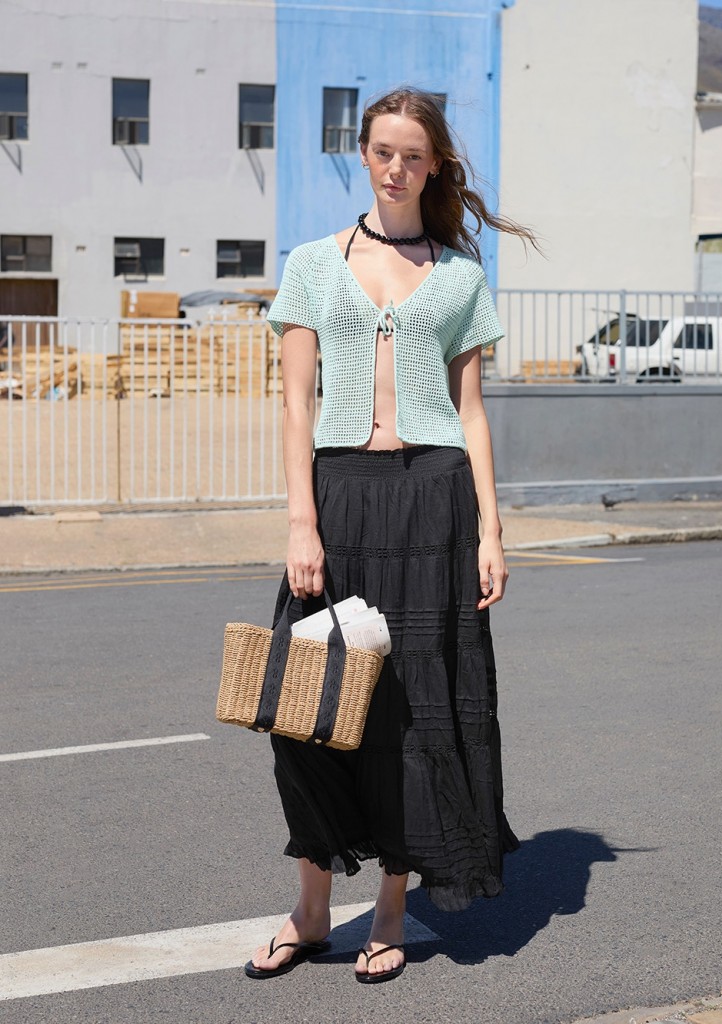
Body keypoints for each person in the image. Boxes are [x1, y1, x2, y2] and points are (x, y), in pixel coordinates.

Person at [245, 87, 536, 985]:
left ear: (433, 165)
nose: (396, 168)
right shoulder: (311, 263)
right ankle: (310, 909)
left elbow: (470, 412)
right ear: (363, 155)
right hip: (339, 499)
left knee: (415, 713)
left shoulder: (459, 275)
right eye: (383, 152)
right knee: (304, 712)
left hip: (433, 504)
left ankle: (392, 911)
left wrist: (491, 531)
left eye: (413, 155)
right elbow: (295, 404)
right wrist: (302, 522)